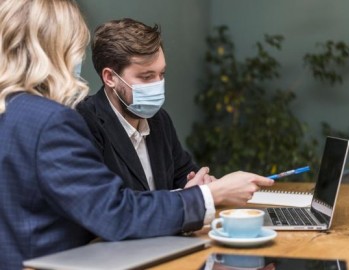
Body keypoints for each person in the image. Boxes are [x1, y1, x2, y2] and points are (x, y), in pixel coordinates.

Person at [0, 1, 274, 269]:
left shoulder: (13, 110)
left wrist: (200, 189)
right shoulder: (54, 120)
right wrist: (212, 194)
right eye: (75, 49)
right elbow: (114, 213)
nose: (77, 59)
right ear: (54, 50)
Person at [77, 18, 212, 191]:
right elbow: (112, 205)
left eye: (161, 74)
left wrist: (201, 185)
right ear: (110, 78)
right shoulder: (83, 123)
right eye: (146, 77)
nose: (158, 84)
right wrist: (185, 198)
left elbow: (184, 175)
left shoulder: (160, 120)